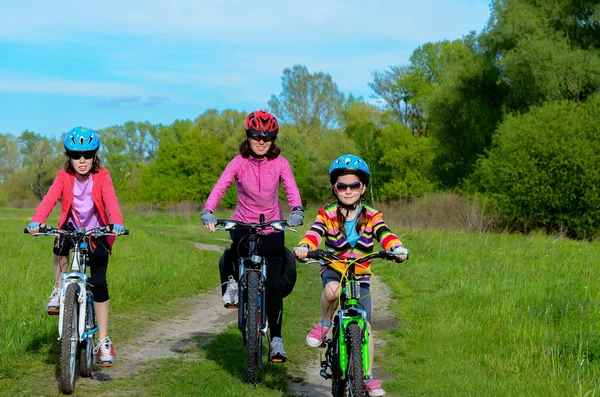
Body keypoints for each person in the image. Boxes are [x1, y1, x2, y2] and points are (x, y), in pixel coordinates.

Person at [294, 154, 408, 397]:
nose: (348, 190)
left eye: (353, 185)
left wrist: (396, 248)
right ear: (335, 188)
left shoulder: (372, 215)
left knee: (365, 324)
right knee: (332, 291)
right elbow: (314, 233)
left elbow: (385, 233)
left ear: (362, 187)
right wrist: (305, 246)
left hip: (360, 275)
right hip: (335, 269)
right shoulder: (327, 214)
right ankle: (324, 325)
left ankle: (366, 376)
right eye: (342, 185)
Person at [200, 110, 303, 363]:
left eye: (267, 138)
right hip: (243, 224)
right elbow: (221, 185)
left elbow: (290, 187)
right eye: (256, 137)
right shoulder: (238, 163)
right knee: (232, 254)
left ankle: (276, 339)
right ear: (248, 137)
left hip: (273, 227)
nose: (261, 142)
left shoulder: (280, 163)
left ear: (273, 141)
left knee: (274, 283)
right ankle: (233, 284)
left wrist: (297, 211)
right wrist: (208, 210)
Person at [26, 126, 126, 367]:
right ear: (69, 157)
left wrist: (117, 224)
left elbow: (111, 200)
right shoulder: (64, 177)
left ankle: (103, 340)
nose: (82, 161)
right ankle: (60, 290)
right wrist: (38, 221)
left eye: (87, 156)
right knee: (59, 241)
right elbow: (50, 198)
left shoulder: (103, 176)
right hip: (72, 227)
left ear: (95, 157)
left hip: (98, 232)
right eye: (76, 156)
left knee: (99, 282)